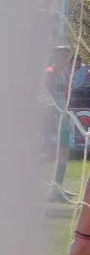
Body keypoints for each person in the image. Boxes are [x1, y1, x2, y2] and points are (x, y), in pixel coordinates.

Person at [46, 45, 76, 202]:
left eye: (67, 56)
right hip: (53, 117)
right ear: (55, 56)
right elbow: (46, 97)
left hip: (62, 118)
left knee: (64, 152)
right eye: (63, 55)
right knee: (52, 153)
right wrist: (51, 117)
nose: (65, 59)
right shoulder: (49, 73)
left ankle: (58, 190)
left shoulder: (64, 74)